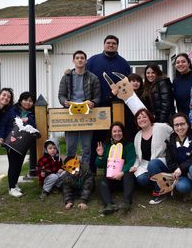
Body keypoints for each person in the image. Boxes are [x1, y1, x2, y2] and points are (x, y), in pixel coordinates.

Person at [87, 35, 131, 173]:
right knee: (96, 139)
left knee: (115, 138)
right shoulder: (93, 61)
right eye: (108, 43)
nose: (111, 45)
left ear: (117, 45)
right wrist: (69, 72)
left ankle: (114, 169)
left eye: (113, 43)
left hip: (118, 107)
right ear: (104, 44)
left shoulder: (124, 64)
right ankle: (92, 170)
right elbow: (80, 73)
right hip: (97, 106)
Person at [58, 50, 101, 166]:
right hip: (70, 114)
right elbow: (61, 95)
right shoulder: (66, 77)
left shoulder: (93, 78)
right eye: (77, 58)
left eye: (82, 58)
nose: (80, 60)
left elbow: (98, 97)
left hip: (87, 114)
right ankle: (72, 174)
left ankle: (85, 175)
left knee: (86, 149)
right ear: (73, 61)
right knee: (70, 148)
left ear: (86, 61)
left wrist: (93, 102)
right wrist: (64, 102)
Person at [0, 91, 37, 198]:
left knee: (19, 164)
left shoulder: (32, 113)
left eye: (30, 101)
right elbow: (3, 124)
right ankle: (11, 188)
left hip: (23, 142)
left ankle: (14, 184)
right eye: (25, 100)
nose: (28, 103)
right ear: (20, 100)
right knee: (13, 164)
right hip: (11, 141)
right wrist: (0, 136)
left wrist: (28, 120)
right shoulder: (12, 110)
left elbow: (34, 126)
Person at [129, 108, 173, 204]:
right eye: (139, 118)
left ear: (150, 117)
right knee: (141, 179)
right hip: (145, 164)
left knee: (153, 164)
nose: (142, 119)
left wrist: (173, 147)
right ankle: (165, 183)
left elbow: (174, 132)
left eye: (144, 116)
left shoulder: (161, 127)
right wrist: (136, 166)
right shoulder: (137, 135)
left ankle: (160, 193)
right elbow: (138, 156)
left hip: (161, 161)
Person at [95, 122, 136, 215]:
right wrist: (100, 156)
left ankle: (126, 202)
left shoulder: (129, 145)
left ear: (123, 132)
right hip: (111, 178)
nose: (117, 133)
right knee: (101, 181)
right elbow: (100, 165)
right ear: (111, 133)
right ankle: (109, 204)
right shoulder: (106, 145)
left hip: (123, 178)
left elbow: (131, 161)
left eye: (119, 131)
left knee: (129, 175)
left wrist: (122, 172)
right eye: (114, 131)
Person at [125, 73, 144, 141]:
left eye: (138, 81)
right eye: (133, 81)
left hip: (141, 122)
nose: (136, 83)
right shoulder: (124, 94)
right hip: (128, 123)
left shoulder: (144, 95)